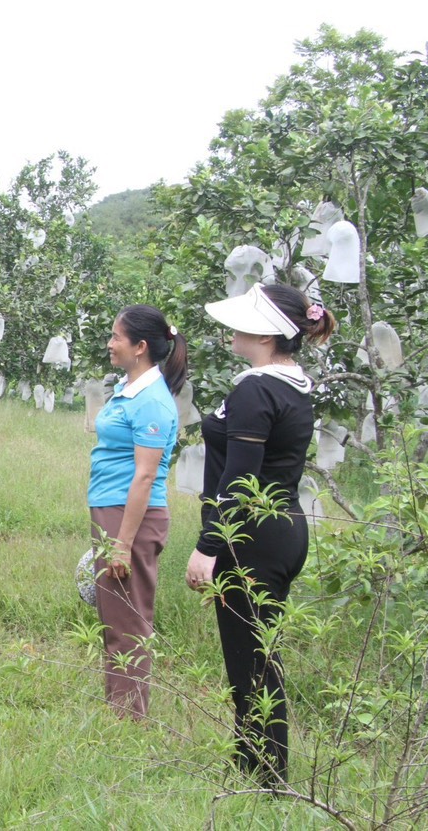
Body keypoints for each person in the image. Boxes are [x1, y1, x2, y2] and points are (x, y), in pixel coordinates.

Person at [185, 283, 336, 784]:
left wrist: (209, 546)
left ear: (267, 333)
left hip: (251, 535)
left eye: (242, 320)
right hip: (285, 528)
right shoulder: (292, 383)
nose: (231, 329)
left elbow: (242, 477)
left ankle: (266, 778)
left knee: (249, 660)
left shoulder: (256, 389)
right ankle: (256, 763)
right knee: (259, 654)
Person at [87, 305, 187, 719]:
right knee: (116, 615)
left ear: (141, 347)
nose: (110, 344)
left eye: (117, 337)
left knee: (128, 621)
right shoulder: (131, 391)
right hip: (113, 511)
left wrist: (123, 544)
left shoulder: (152, 403)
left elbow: (145, 477)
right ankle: (120, 709)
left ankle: (129, 717)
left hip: (131, 519)